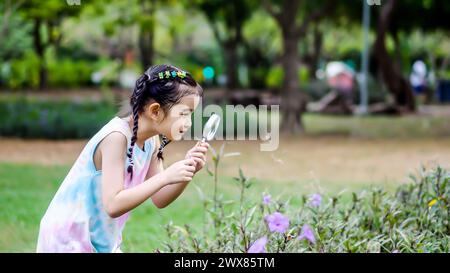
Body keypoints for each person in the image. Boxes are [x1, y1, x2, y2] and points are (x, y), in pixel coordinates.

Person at [37, 64, 209, 253]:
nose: (189, 123)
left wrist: (189, 169)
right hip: (69, 237)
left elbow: (160, 198)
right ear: (155, 111)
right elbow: (113, 204)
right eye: (184, 114)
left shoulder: (152, 142)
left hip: (100, 240)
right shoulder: (117, 138)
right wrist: (166, 176)